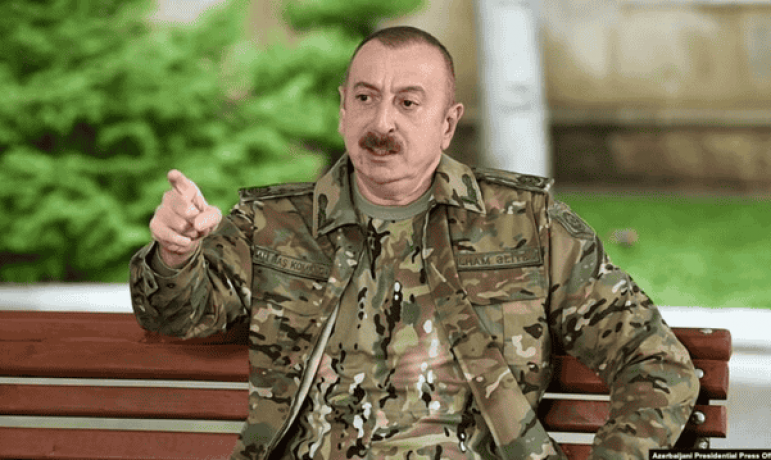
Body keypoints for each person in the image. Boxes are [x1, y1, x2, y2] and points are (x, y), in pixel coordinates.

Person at [129, 26, 700, 460]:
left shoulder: (527, 225)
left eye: (407, 102)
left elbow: (656, 363)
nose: (382, 123)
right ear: (342, 109)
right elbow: (176, 314)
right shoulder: (273, 223)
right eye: (365, 98)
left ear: (447, 124)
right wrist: (176, 254)